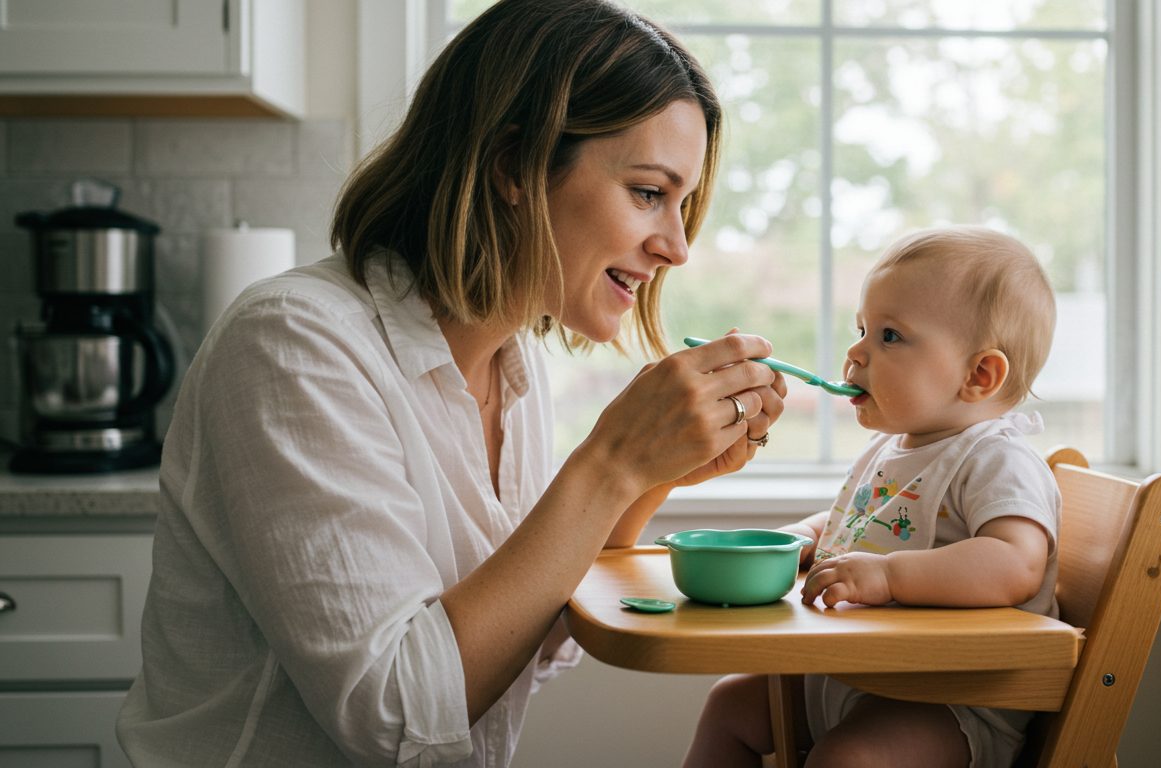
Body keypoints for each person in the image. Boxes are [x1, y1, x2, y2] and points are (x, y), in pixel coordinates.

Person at [116, 1, 787, 765]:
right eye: (646, 193)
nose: (675, 246)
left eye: (683, 203)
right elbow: (397, 716)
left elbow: (525, 628)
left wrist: (644, 478)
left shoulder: (512, 364)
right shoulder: (293, 345)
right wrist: (612, 461)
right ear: (512, 166)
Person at [682, 226, 1061, 768]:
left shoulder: (998, 458)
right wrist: (809, 537)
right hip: (862, 674)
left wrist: (889, 577)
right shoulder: (894, 448)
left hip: (950, 700)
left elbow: (1015, 563)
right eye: (862, 328)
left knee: (850, 758)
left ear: (979, 374)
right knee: (729, 707)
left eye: (890, 336)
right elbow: (864, 521)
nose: (856, 351)